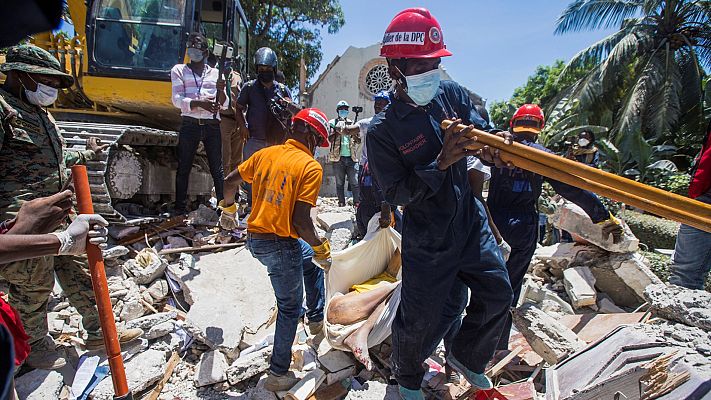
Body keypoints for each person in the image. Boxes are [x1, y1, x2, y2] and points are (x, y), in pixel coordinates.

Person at [367, 9, 514, 399]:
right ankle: (408, 378)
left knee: (499, 292)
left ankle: (466, 355)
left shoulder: (450, 95)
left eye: (435, 63)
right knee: (418, 319)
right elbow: (398, 195)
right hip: (428, 237)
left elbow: (478, 133)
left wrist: (494, 147)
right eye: (420, 66)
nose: (430, 73)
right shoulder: (383, 132)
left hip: (468, 220)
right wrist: (440, 162)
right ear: (394, 69)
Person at [0, 45, 142, 370]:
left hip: (59, 216)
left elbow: (57, 161)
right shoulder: (3, 109)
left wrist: (87, 154)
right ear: (21, 74)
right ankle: (34, 347)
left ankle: (98, 331)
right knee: (33, 286)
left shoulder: (41, 115)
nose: (52, 89)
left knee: (80, 271)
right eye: (46, 80)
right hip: (22, 224)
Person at [487, 104, 623, 352]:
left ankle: (469, 346)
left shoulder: (498, 145)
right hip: (523, 226)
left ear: (512, 124)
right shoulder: (544, 156)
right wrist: (603, 217)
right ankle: (497, 346)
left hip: (492, 224)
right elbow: (571, 188)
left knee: (483, 283)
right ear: (540, 128)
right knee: (510, 286)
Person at [219, 108, 331, 392]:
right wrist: (322, 247)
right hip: (280, 245)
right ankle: (278, 372)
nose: (316, 147)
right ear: (310, 135)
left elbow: (230, 180)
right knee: (290, 307)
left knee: (310, 261)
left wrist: (228, 209)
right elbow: (301, 220)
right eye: (318, 140)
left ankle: (316, 320)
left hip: (255, 239)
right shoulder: (309, 166)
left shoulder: (265, 154)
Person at [170, 32, 227, 214]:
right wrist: (199, 103)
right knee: (184, 166)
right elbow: (177, 99)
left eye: (197, 45)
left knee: (217, 169)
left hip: (211, 125)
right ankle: (179, 207)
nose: (193, 49)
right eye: (190, 45)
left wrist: (221, 92)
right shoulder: (179, 70)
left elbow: (224, 104)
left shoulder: (217, 74)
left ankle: (223, 208)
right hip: (190, 124)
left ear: (205, 51)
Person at [669, 121, 711, 289]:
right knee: (683, 275)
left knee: (684, 274)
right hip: (704, 197)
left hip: (705, 197)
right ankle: (674, 312)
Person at [235, 47, 292, 158]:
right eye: (261, 69)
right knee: (251, 174)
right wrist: (242, 126)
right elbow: (238, 107)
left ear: (274, 69)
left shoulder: (283, 90)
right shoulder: (249, 87)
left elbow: (293, 115)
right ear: (257, 69)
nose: (265, 72)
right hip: (254, 141)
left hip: (277, 144)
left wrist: (289, 105)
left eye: (268, 69)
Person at [328, 101, 360, 207]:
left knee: (354, 181)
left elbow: (358, 140)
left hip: (351, 157)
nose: (344, 110)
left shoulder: (351, 123)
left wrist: (353, 133)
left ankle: (357, 202)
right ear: (337, 110)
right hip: (338, 158)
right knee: (339, 182)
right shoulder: (332, 122)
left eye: (346, 109)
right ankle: (341, 202)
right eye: (342, 108)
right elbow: (330, 139)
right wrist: (337, 130)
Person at [219, 58, 244, 178]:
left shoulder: (237, 77)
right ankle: (224, 185)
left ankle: (235, 188)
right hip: (224, 119)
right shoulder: (216, 74)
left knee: (237, 157)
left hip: (238, 120)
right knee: (225, 156)